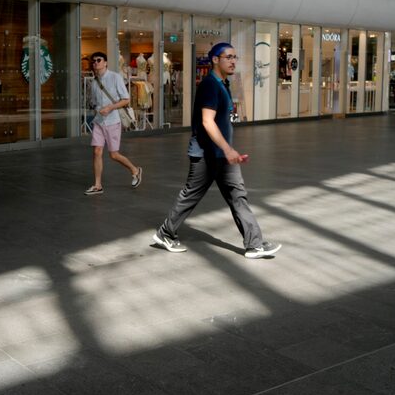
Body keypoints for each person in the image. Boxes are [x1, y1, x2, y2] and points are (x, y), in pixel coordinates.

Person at [152, 42, 281, 259]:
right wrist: (228, 149)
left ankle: (254, 244)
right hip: (206, 155)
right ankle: (165, 233)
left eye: (235, 57)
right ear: (215, 60)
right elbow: (207, 122)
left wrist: (228, 152)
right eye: (228, 57)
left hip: (222, 156)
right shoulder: (210, 85)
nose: (233, 61)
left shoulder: (223, 84)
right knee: (191, 195)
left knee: (238, 196)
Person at [84, 51, 143, 195]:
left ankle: (135, 170)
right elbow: (93, 101)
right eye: (94, 61)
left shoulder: (115, 77)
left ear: (105, 63)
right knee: (97, 151)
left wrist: (110, 107)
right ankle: (98, 185)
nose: (95, 63)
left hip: (112, 121)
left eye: (98, 60)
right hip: (99, 121)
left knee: (113, 154)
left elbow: (126, 99)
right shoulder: (93, 82)